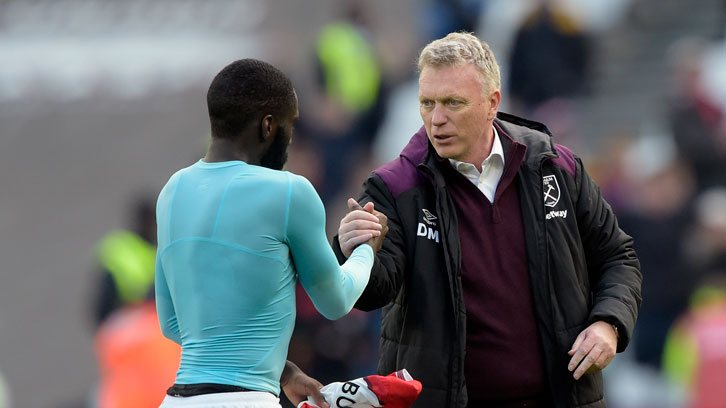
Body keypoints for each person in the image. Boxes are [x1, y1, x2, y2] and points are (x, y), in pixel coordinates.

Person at [335, 32, 642, 408]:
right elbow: (372, 293)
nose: (437, 119)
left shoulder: (555, 167)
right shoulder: (394, 187)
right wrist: (354, 252)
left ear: (492, 103)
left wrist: (608, 323)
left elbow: (617, 257)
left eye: (453, 103)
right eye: (427, 103)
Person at [154, 59, 387, 408]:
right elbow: (336, 301)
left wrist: (281, 370)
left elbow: (172, 324)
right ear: (267, 126)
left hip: (178, 399)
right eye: (289, 126)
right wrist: (366, 250)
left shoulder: (172, 191)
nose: (290, 141)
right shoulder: (289, 191)